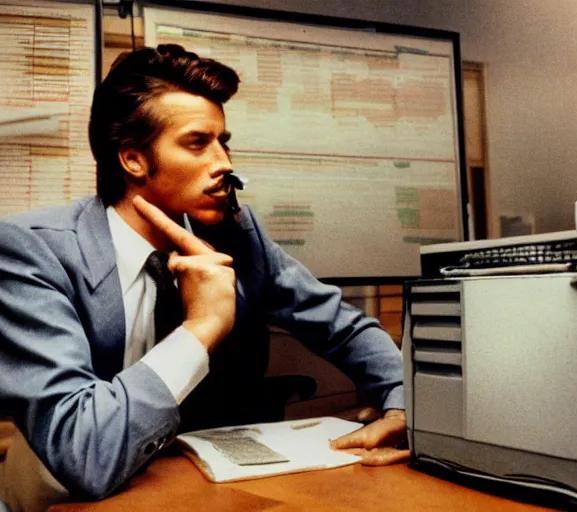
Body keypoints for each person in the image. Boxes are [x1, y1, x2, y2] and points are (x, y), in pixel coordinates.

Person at [0, 44, 408, 511]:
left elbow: (344, 326)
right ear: (133, 159)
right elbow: (84, 455)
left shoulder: (237, 236)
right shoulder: (31, 251)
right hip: (62, 495)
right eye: (197, 143)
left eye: (223, 141)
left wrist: (401, 401)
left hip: (182, 485)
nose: (225, 163)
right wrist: (201, 328)